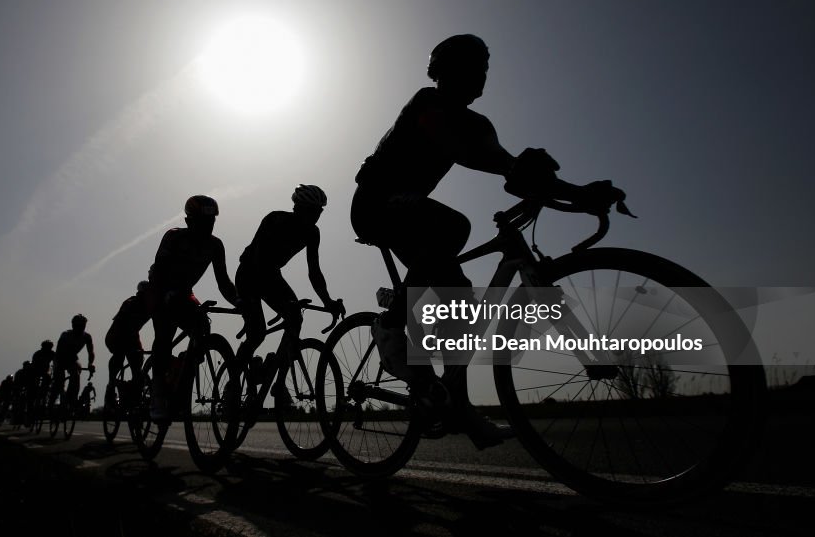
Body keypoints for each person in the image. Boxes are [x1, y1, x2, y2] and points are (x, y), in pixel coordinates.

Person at [350, 34, 623, 446]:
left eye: (484, 69)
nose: (480, 76)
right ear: (442, 73)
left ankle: (454, 406)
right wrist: (516, 165)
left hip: (411, 213)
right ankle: (390, 327)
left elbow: (511, 172)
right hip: (375, 203)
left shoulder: (479, 124)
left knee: (462, 307)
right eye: (470, 68)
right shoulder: (427, 103)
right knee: (454, 226)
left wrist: (579, 192)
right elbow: (465, 150)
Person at [234, 185, 344, 388]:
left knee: (295, 318)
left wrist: (327, 301)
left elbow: (314, 271)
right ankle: (232, 384)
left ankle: (279, 380)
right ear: (298, 208)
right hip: (250, 273)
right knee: (257, 333)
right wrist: (277, 301)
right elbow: (259, 260)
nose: (316, 216)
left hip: (272, 274)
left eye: (319, 211)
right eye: (312, 210)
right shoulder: (275, 219)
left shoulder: (313, 232)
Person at [146, 195, 241, 422]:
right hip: (160, 289)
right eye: (202, 222)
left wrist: (239, 301)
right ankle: (157, 395)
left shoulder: (215, 245)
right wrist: (166, 293)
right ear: (189, 221)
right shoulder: (174, 237)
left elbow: (224, 282)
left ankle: (180, 371)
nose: (208, 227)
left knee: (201, 328)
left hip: (184, 292)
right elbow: (159, 270)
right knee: (164, 334)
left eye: (212, 222)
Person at [104, 281, 151, 399]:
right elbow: (122, 322)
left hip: (132, 336)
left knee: (138, 365)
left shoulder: (151, 305)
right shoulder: (131, 302)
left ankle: (134, 389)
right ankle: (111, 385)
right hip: (117, 335)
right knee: (119, 357)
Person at [52, 314, 95, 403]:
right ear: (73, 326)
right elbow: (59, 353)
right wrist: (59, 368)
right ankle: (54, 399)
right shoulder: (65, 335)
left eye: (82, 326)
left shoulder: (87, 337)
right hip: (60, 357)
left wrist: (90, 363)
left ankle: (71, 399)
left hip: (72, 358)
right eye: (77, 326)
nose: (80, 328)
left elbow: (91, 352)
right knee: (59, 381)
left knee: (76, 375)